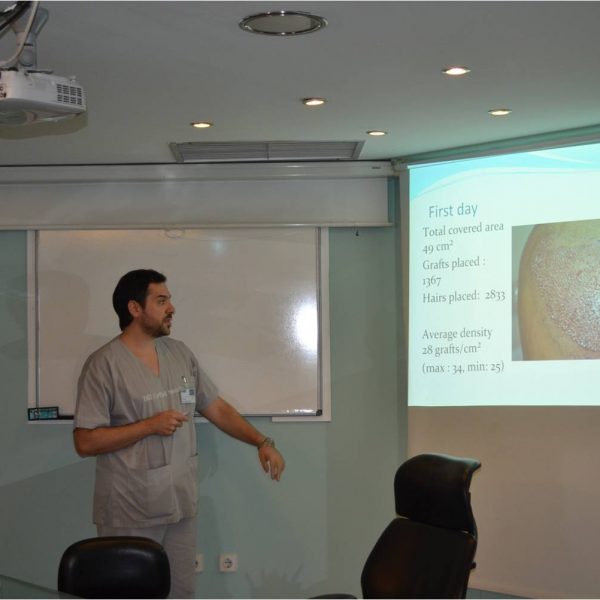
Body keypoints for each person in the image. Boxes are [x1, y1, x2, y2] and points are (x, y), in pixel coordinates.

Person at [73, 269, 285, 599]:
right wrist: (149, 426)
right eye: (161, 301)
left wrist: (261, 441)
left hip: (179, 504)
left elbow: (215, 407)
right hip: (130, 509)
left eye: (169, 300)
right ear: (135, 308)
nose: (171, 308)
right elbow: (85, 442)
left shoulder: (179, 354)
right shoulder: (103, 365)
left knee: (181, 592)